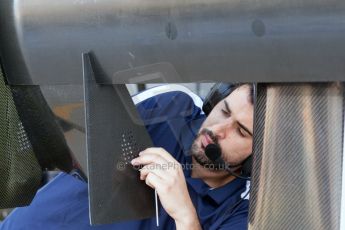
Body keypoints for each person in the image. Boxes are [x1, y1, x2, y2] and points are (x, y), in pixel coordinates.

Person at [0, 83, 254, 230]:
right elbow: (83, 133)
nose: (217, 130)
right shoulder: (176, 105)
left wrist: (185, 216)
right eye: (224, 110)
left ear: (257, 157)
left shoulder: (246, 209)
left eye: (241, 131)